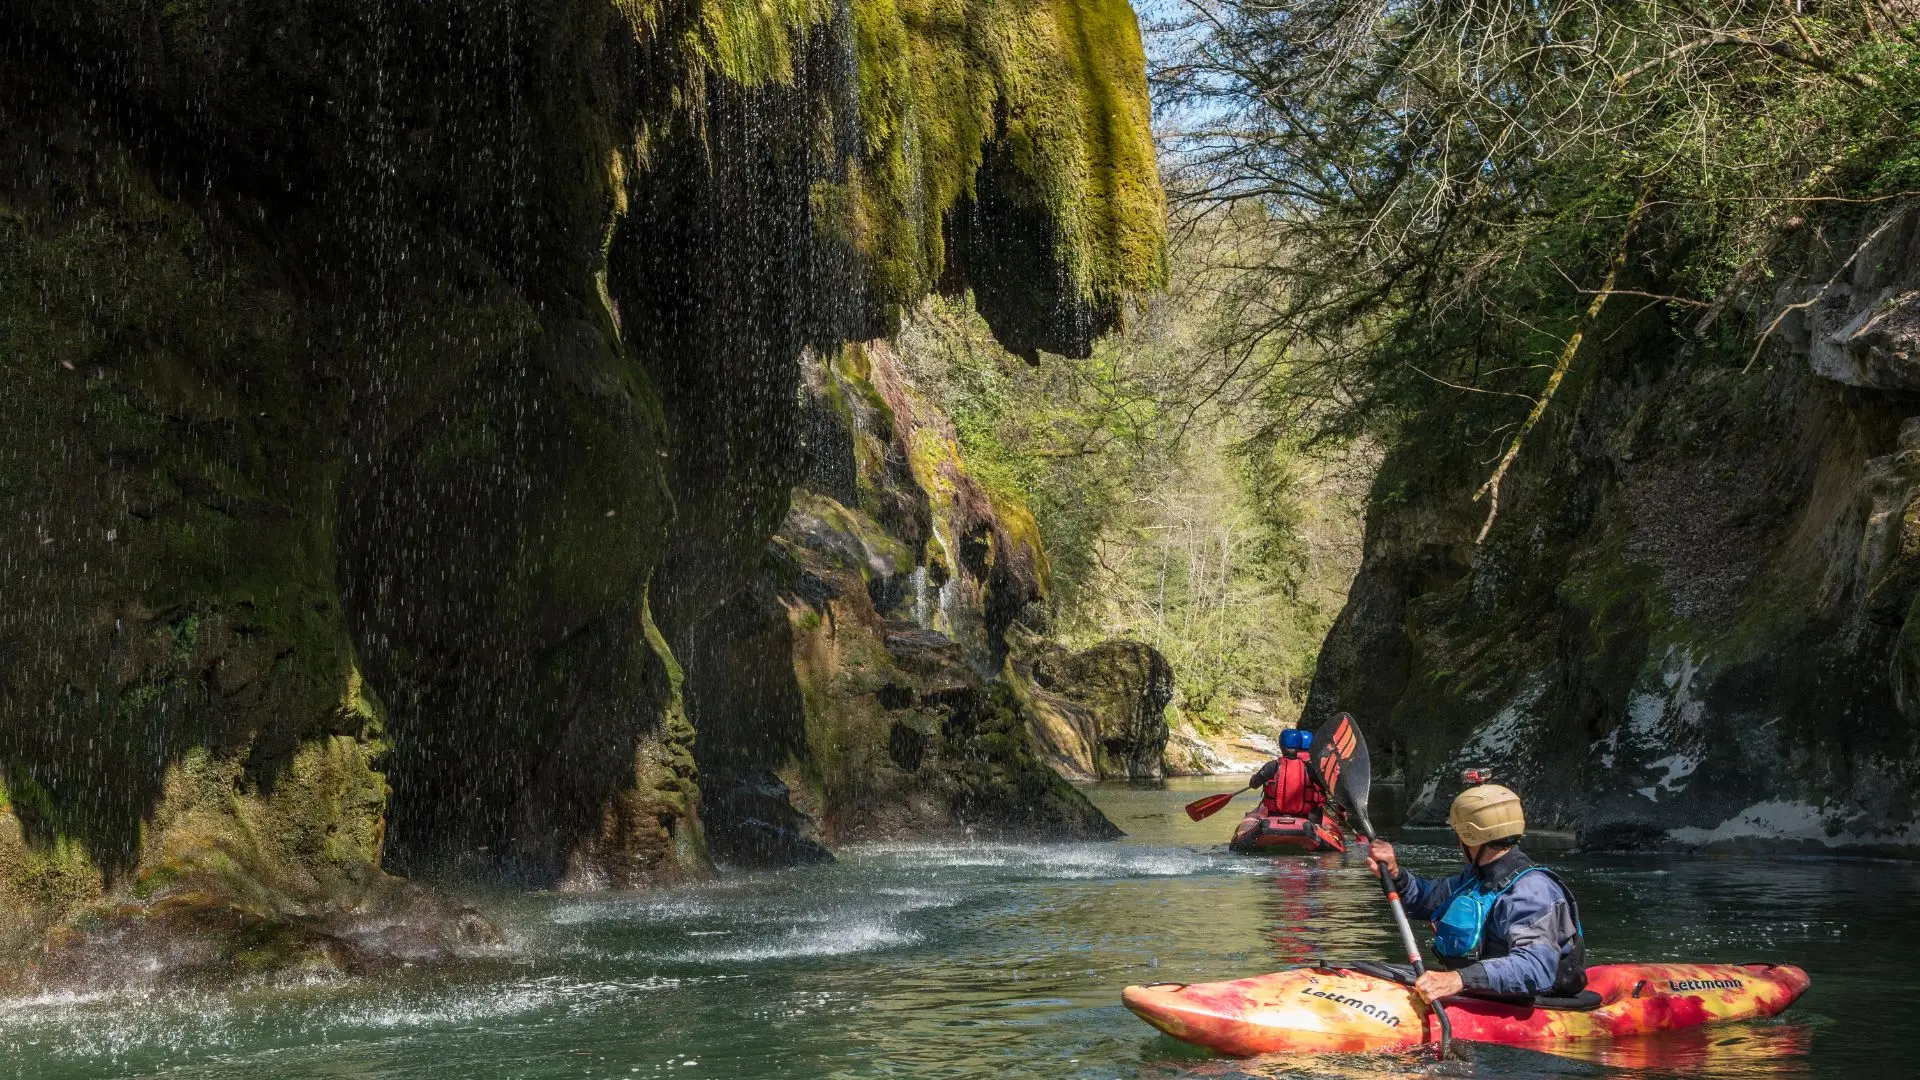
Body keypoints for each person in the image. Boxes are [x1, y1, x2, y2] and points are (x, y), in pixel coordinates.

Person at [1365, 783, 1586, 1006]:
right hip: (1479, 993)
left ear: (1469, 836)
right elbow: (1427, 899)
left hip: (1530, 1004)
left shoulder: (1532, 891)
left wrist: (1459, 978)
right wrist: (1395, 874)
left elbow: (1535, 967)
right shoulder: (1476, 878)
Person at [1247, 728, 1330, 823]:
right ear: (1299, 746)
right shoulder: (1309, 768)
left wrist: (1263, 781)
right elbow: (1324, 786)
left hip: (1274, 817)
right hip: (1303, 818)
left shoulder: (1272, 766)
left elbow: (1253, 784)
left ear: (1281, 746)